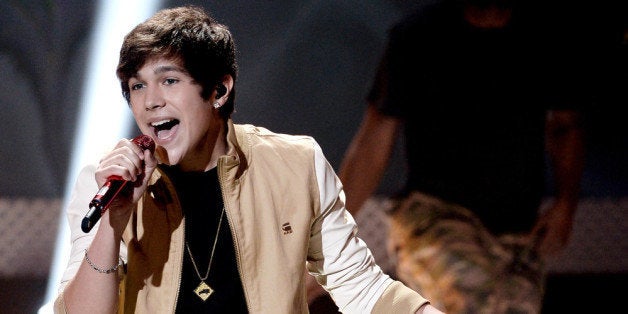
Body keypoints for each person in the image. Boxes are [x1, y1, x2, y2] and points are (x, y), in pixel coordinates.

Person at [52, 5, 444, 314]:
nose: (150, 101)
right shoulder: (108, 183)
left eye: (169, 80)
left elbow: (360, 286)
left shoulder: (296, 165)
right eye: (137, 85)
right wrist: (112, 224)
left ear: (219, 90)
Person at [335, 0, 586, 313]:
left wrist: (566, 205)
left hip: (515, 232)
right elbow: (374, 141)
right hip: (432, 220)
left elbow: (565, 125)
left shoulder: (545, 37)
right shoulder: (419, 36)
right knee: (470, 302)